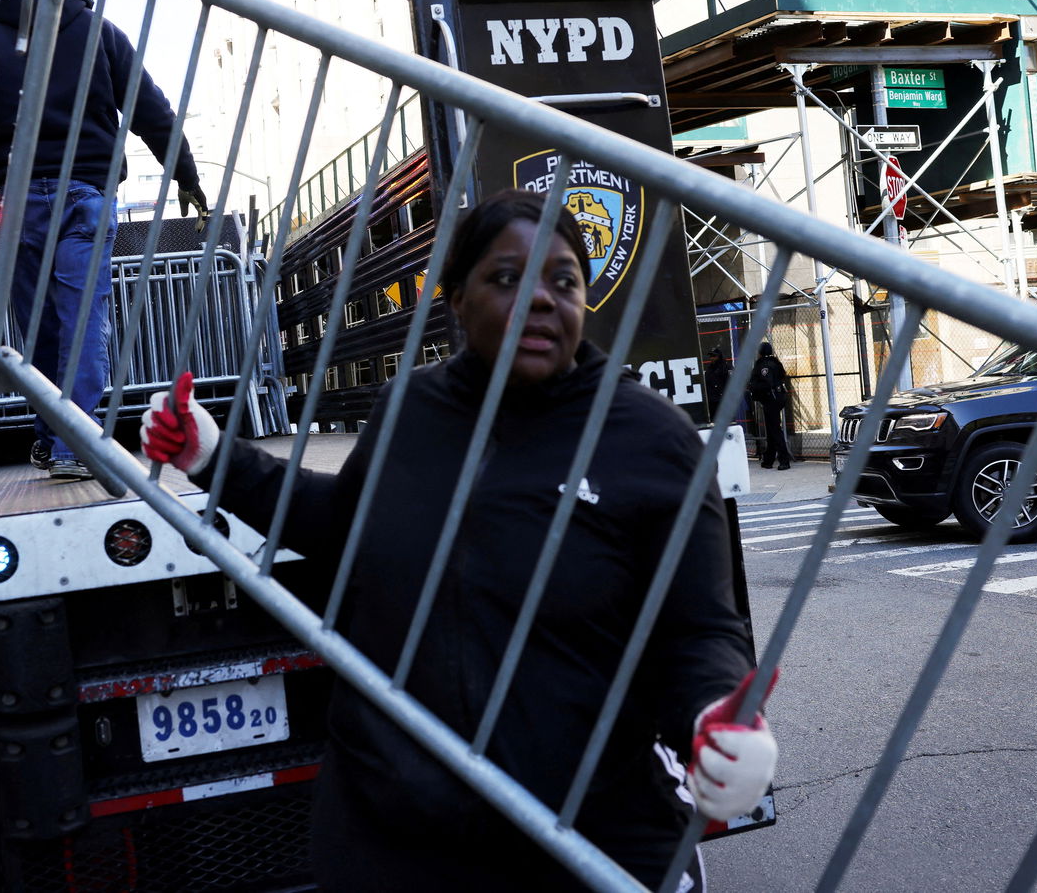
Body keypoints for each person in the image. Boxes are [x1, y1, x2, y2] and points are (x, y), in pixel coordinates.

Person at [141, 189, 777, 890]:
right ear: (455, 301)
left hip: (582, 841)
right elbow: (341, 525)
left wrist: (716, 717)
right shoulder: (411, 410)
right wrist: (212, 455)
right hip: (393, 841)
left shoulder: (653, 442)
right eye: (507, 277)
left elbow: (701, 629)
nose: (541, 298)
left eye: (563, 280)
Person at [0, 0, 208, 481]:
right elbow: (150, 109)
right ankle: (72, 445)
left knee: (38, 328)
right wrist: (186, 176)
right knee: (84, 323)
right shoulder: (100, 33)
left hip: (20, 202)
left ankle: (53, 438)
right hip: (87, 195)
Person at [746, 340, 792, 470]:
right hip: (777, 397)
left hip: (771, 399)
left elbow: (767, 383)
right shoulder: (775, 362)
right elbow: (782, 376)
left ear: (761, 352)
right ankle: (768, 460)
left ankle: (784, 460)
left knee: (775, 430)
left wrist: (752, 386)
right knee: (772, 430)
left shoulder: (763, 365)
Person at [703, 346, 732, 419]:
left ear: (719, 356)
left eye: (714, 356)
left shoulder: (726, 367)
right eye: (710, 356)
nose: (711, 358)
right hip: (712, 402)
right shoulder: (709, 369)